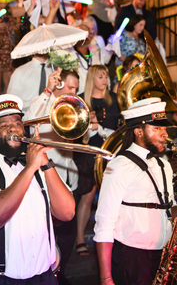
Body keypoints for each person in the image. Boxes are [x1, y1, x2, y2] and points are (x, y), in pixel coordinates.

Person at [0, 94, 75, 284]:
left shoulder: (35, 164)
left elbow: (67, 213)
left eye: (17, 123)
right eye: (4, 125)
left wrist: (45, 164)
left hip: (43, 277)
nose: (13, 128)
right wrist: (30, 168)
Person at [94, 97, 177, 285]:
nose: (164, 134)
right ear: (138, 131)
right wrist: (105, 277)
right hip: (131, 257)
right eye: (157, 128)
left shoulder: (164, 165)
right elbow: (104, 222)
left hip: (163, 256)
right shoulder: (120, 165)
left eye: (164, 128)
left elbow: (169, 207)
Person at [23, 68, 81, 285]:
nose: (75, 91)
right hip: (48, 179)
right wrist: (47, 90)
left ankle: (60, 271)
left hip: (68, 175)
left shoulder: (72, 108)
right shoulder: (45, 103)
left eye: (76, 87)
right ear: (59, 85)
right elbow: (30, 119)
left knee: (67, 233)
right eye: (70, 87)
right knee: (49, 233)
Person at [74, 65, 120, 257]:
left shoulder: (114, 99)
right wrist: (90, 125)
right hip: (90, 153)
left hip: (111, 152)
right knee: (87, 196)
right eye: (100, 76)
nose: (105, 80)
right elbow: (75, 132)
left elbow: (119, 124)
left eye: (106, 76)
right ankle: (79, 239)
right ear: (92, 78)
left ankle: (112, 237)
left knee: (112, 196)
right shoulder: (82, 99)